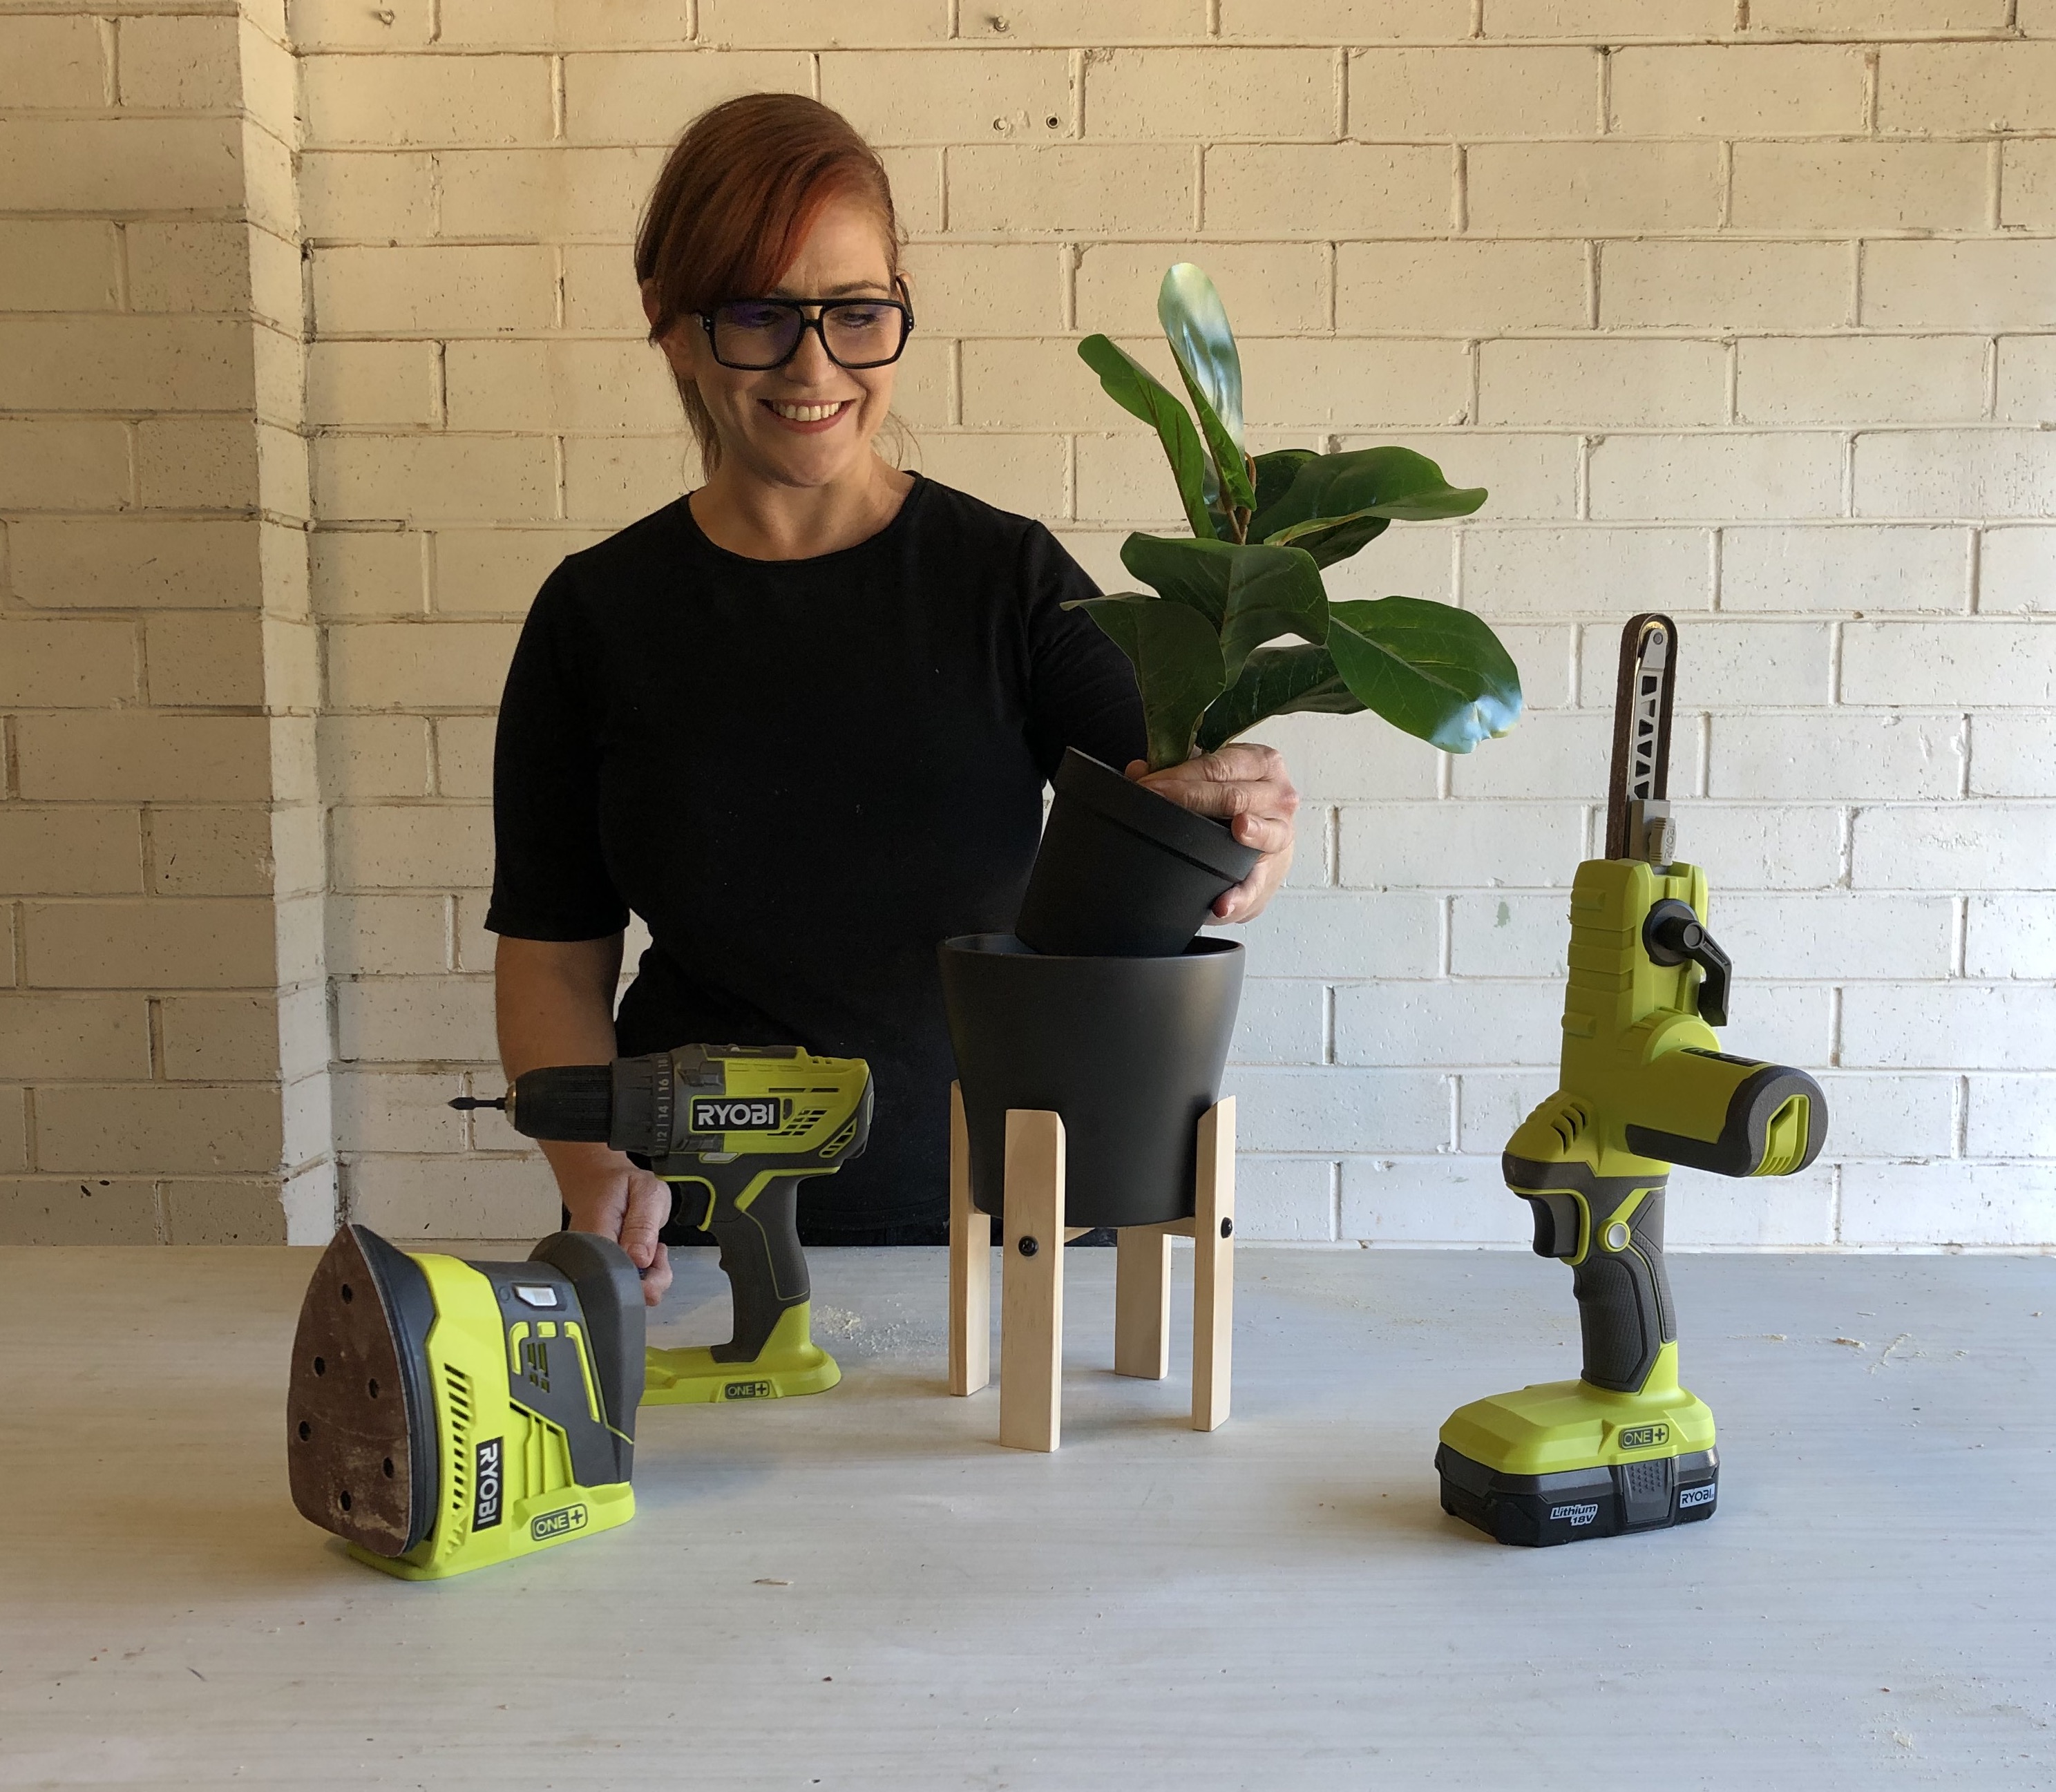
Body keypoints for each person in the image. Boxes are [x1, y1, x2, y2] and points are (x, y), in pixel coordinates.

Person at [486, 94, 1298, 1305]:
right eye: (760, 314)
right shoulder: (595, 618)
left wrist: (1243, 812)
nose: (815, 367)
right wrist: (596, 1166)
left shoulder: (1007, 583)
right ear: (673, 329)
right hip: (686, 1237)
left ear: (896, 307)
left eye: (856, 313)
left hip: (984, 1232)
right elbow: (553, 961)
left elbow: (1170, 805)